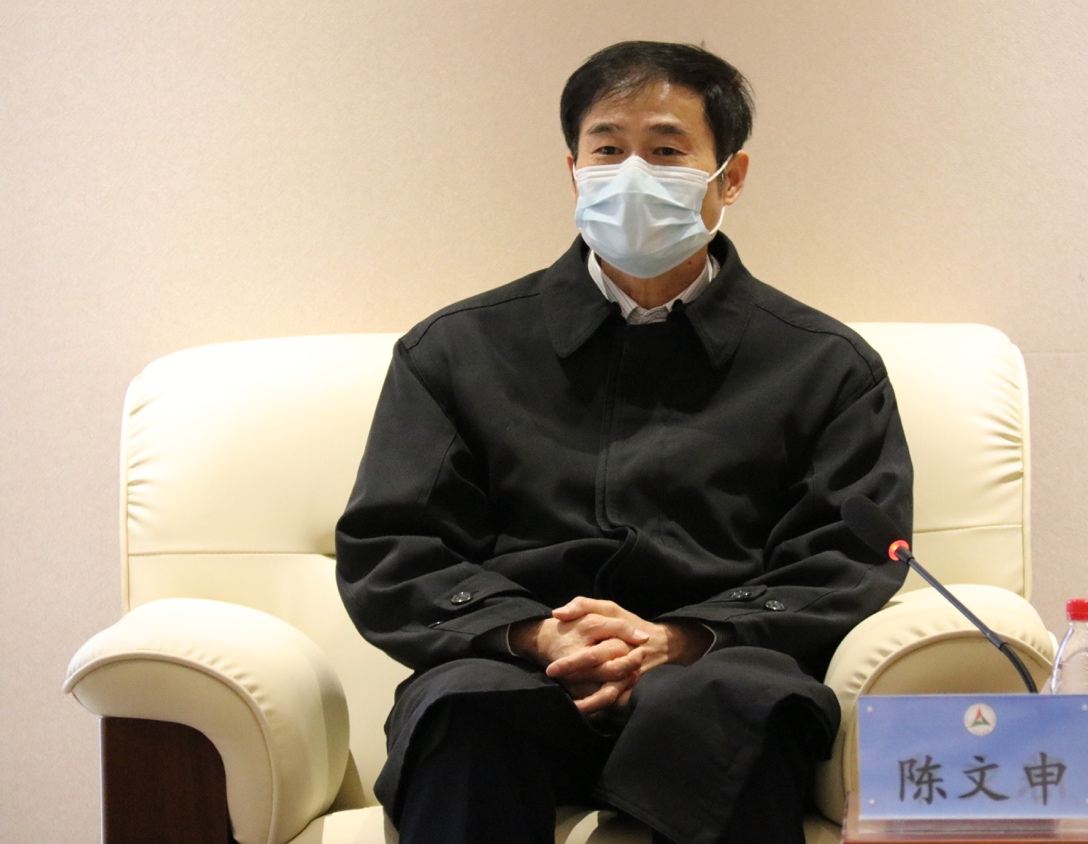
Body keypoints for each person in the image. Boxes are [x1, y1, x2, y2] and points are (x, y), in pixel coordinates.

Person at [335, 40, 913, 844]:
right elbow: (392, 547)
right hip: (517, 667)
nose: (633, 173)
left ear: (731, 177)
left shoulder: (825, 365)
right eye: (608, 150)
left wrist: (683, 638)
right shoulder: (455, 352)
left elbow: (848, 554)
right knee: (462, 706)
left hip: (718, 670)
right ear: (574, 171)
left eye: (667, 151)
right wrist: (538, 633)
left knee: (735, 703)